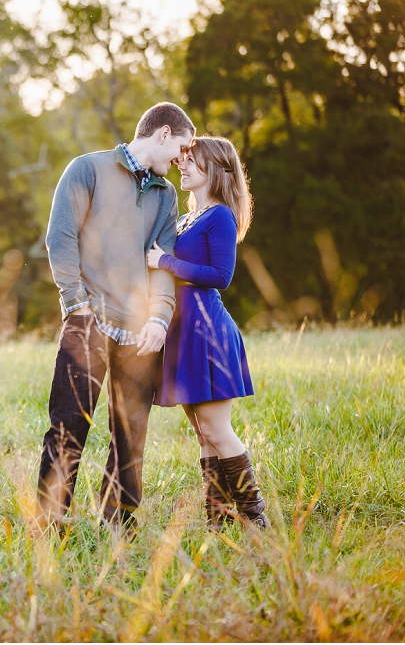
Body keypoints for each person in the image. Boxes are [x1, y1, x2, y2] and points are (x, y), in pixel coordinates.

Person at [38, 102, 195, 536]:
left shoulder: (166, 197)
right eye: (182, 149)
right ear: (163, 134)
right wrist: (77, 306)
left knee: (131, 437)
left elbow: (161, 265)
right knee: (69, 427)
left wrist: (159, 319)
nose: (183, 161)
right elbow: (60, 238)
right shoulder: (87, 169)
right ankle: (50, 526)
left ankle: (118, 526)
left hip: (139, 333)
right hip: (87, 322)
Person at [147, 135, 268, 530]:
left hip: (208, 333)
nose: (181, 165)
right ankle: (218, 520)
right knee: (202, 434)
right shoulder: (186, 218)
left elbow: (221, 276)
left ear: (214, 169)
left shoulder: (220, 216)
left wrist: (164, 260)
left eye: (190, 160)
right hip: (181, 336)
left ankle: (255, 517)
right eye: (182, 159)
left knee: (216, 428)